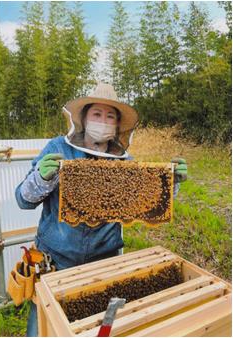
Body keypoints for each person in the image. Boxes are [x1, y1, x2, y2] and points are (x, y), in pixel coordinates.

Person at [15, 83, 187, 336]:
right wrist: (41, 178)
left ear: (117, 125)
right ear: (84, 119)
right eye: (97, 114)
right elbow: (23, 200)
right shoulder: (57, 149)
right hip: (56, 260)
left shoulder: (125, 161)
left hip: (105, 261)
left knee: (101, 328)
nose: (103, 121)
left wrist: (170, 183)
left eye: (110, 116)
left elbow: (145, 202)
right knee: (42, 329)